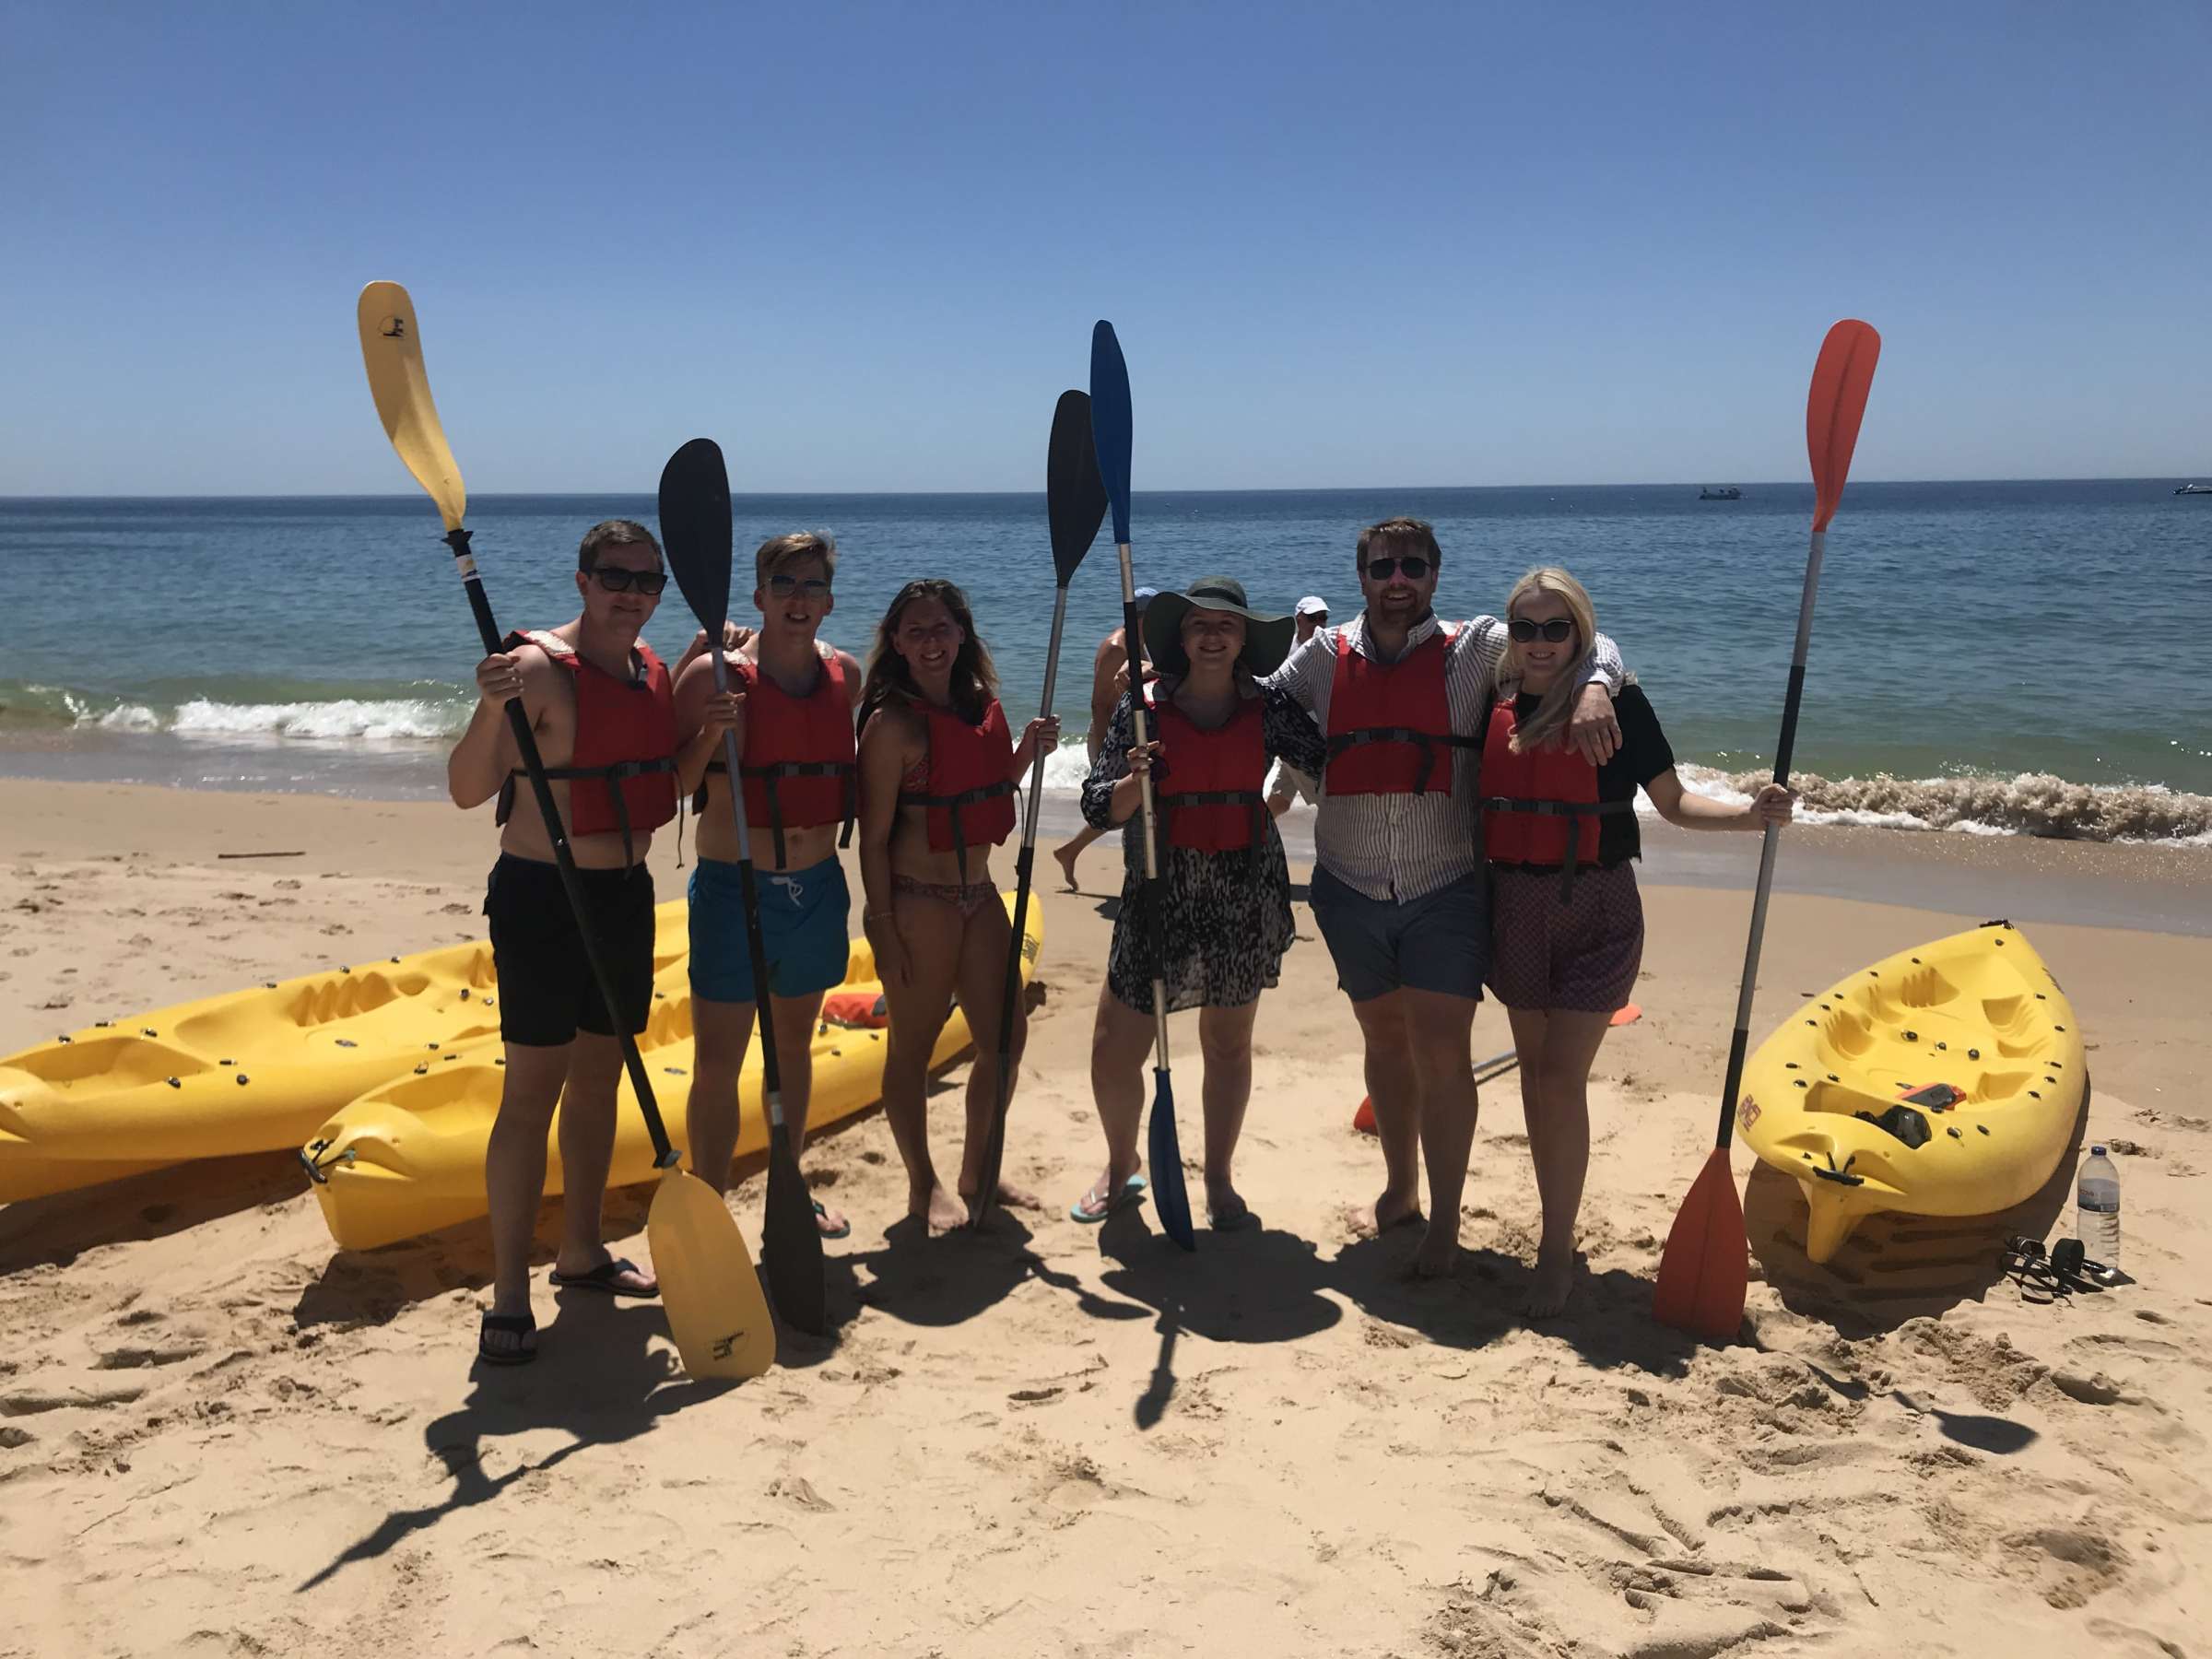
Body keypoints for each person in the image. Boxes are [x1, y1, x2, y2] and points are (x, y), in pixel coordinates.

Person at [1265, 517, 1628, 1277]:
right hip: (1348, 886)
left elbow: (1583, 640)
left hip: (1447, 887)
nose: (1398, 580)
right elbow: (1252, 701)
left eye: (1414, 566)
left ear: (1434, 574)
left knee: (1441, 1051)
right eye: (1383, 567)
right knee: (1384, 1042)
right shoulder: (1321, 660)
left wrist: (1596, 685)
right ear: (1361, 575)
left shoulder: (1478, 646)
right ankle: (1401, 1189)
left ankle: (1447, 1223)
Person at [1482, 567, 1791, 1316]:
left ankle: (1556, 1250)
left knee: (1559, 1078)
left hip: (1598, 904)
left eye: (1558, 628)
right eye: (1526, 628)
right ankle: (1557, 1228)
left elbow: (1674, 801)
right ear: (1510, 635)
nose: (1540, 642)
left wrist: (1751, 814)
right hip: (1512, 904)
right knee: (1534, 1078)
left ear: (1581, 633)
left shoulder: (1618, 704)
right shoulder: (1489, 698)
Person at [447, 519, 715, 1366]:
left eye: (647, 581)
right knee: (532, 1092)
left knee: (598, 1083)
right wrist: (493, 710)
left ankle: (583, 1250)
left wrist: (712, 728)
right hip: (541, 898)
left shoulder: (652, 672)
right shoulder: (529, 669)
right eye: (615, 577)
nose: (631, 593)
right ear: (581, 580)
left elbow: (666, 784)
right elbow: (465, 789)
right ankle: (509, 1294)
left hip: (623, 897)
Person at [1071, 575, 1327, 1229]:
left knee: (1227, 1043)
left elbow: (1330, 768)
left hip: (1244, 887)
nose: (1212, 636)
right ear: (1181, 639)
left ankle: (1218, 1179)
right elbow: (1098, 803)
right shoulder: (1143, 706)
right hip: (1161, 884)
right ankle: (1121, 1162)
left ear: (1243, 640)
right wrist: (1136, 779)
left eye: (1226, 626)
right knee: (1114, 1047)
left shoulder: (1269, 708)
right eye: (1198, 626)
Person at [672, 531, 865, 1242]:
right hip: (734, 890)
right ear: (758, 597)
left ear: (829, 601)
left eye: (813, 586)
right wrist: (704, 728)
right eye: (785, 584)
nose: (799, 598)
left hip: (816, 887)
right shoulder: (712, 680)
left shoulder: (846, 675)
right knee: (718, 1063)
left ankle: (791, 1183)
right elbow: (667, 786)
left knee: (793, 1050)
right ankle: (710, 1209)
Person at [854, 580, 1060, 1231]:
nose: (931, 641)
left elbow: (984, 790)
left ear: (962, 633)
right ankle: (924, 1185)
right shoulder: (891, 726)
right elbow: (874, 838)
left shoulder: (981, 708)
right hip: (918, 904)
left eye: (941, 627)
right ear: (896, 642)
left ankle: (979, 1170)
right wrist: (880, 924)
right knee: (911, 1051)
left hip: (981, 898)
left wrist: (1027, 751)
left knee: (1006, 1039)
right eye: (915, 630)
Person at [1051, 587, 1157, 889]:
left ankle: (1069, 851)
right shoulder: (1117, 648)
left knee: (1128, 808)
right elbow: (1099, 703)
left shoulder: (1140, 643)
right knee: (1122, 807)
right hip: (1110, 738)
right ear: (1140, 617)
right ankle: (1135, 878)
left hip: (1125, 738)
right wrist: (1105, 755)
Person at [1265, 594, 1331, 817]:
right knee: (1327, 800)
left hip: (1317, 737)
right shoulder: (1284, 653)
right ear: (1299, 620)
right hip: (1298, 740)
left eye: (1323, 618)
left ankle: (1257, 834)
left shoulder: (1327, 650)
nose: (1320, 624)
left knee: (1281, 800)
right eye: (1313, 618)